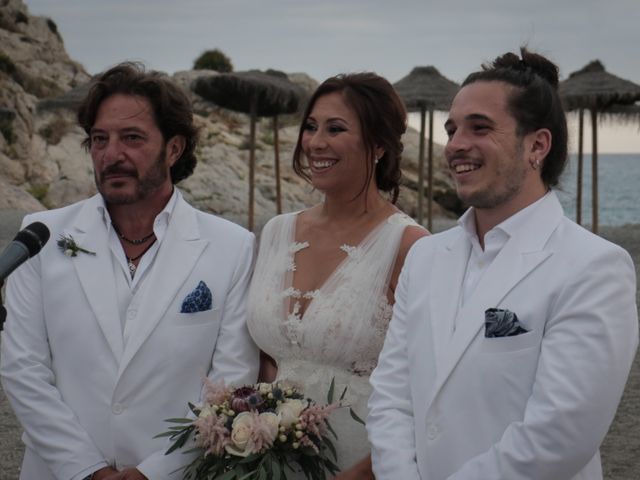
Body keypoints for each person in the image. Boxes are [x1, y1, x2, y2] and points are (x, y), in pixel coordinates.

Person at [367, 48, 639, 480]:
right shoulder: (425, 256)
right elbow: (391, 393)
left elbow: (560, 435)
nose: (455, 145)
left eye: (480, 128)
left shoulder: (595, 268)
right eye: (452, 129)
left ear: (537, 145)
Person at [0, 63, 259, 480]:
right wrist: (86, 469)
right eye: (100, 139)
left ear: (174, 149)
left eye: (132, 138)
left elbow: (230, 382)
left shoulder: (232, 247)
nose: (111, 154)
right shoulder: (41, 235)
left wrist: (153, 472)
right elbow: (23, 369)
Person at [247, 73, 428, 478]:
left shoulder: (410, 246)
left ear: (379, 144)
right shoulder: (276, 232)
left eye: (335, 128)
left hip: (364, 464)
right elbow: (264, 360)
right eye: (310, 127)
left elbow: (426, 390)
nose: (315, 142)